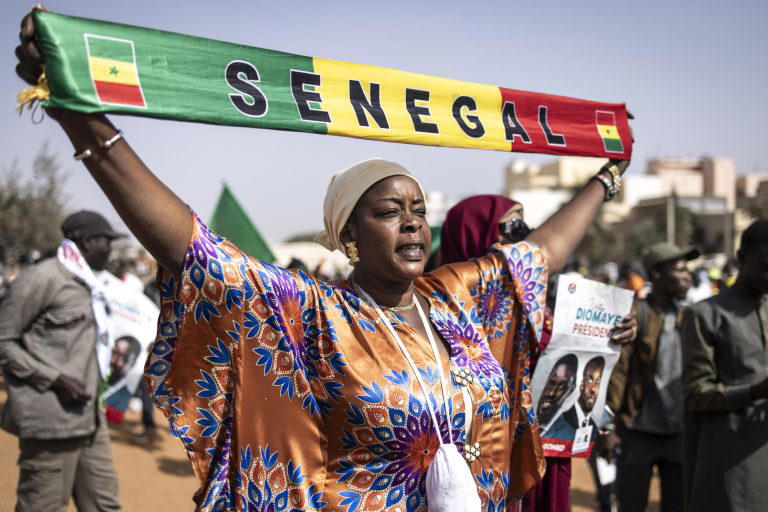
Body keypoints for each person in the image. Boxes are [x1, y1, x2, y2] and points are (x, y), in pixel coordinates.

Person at [15, 14, 632, 511]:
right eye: (391, 211)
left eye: (419, 208)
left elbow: (542, 251)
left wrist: (605, 178)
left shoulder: (458, 301)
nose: (414, 221)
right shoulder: (314, 315)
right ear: (351, 236)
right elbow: (192, 247)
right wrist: (77, 116)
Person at [438, 195, 635, 512]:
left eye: (526, 227)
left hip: (542, 449)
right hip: (476, 453)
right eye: (513, 227)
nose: (524, 237)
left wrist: (611, 335)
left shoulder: (536, 304)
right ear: (472, 234)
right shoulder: (437, 309)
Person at [0, 210, 123, 512]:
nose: (111, 250)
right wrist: (54, 378)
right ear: (85, 242)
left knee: (104, 506)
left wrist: (113, 353)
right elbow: (3, 341)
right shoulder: (42, 279)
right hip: (52, 421)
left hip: (89, 418)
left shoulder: (90, 284)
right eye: (107, 241)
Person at [604, 242, 699, 512]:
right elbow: (618, 374)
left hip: (678, 434)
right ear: (656, 274)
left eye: (687, 270)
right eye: (679, 270)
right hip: (637, 432)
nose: (687, 276)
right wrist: (608, 428)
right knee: (632, 504)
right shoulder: (636, 315)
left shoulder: (688, 317)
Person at [681, 220, 768, 512]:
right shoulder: (704, 315)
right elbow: (695, 393)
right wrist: (755, 391)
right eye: (765, 266)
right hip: (732, 460)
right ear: (742, 258)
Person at [546, 356, 604, 441]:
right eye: (589, 380)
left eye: (598, 381)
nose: (593, 389)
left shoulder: (594, 428)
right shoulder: (561, 417)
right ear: (580, 383)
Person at [537, 354, 578, 431]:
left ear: (571, 390)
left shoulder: (568, 434)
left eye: (562, 387)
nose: (552, 393)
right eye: (550, 383)